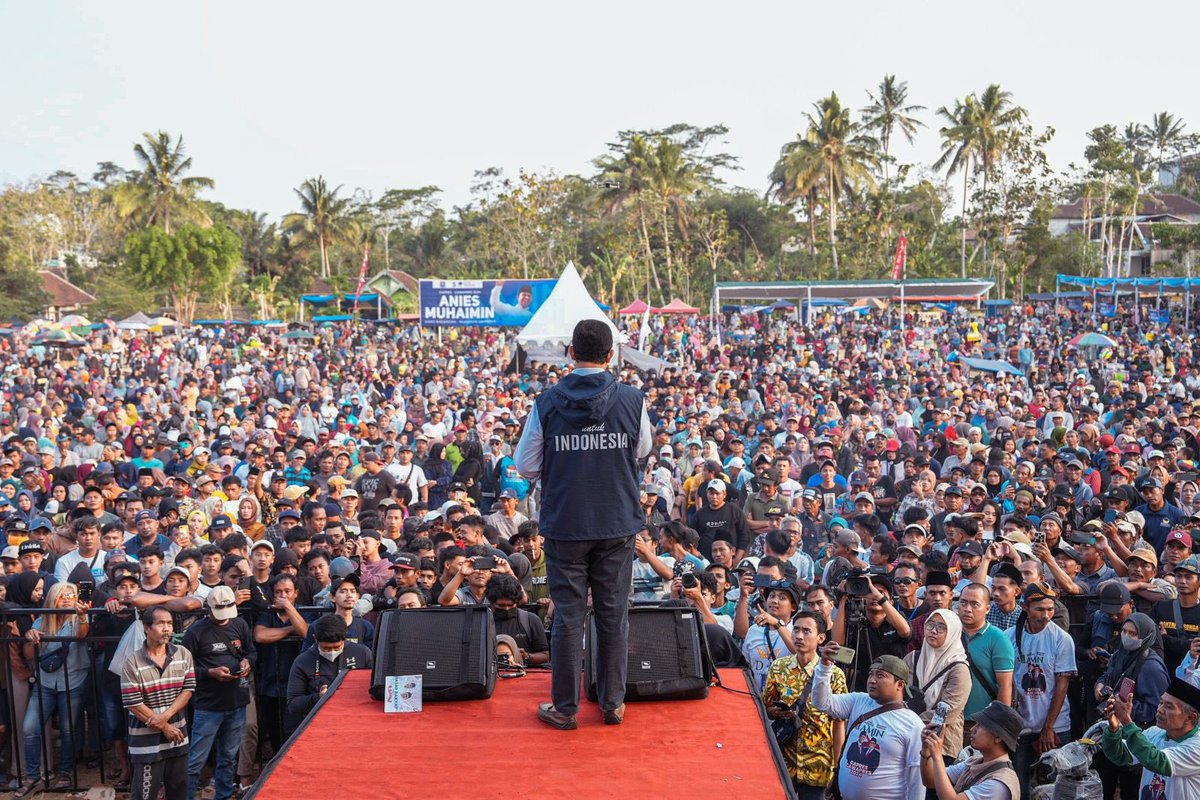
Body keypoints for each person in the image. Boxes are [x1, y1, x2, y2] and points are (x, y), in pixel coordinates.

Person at [515, 319, 652, 730]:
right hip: (615, 522)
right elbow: (642, 448)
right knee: (614, 615)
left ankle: (565, 707)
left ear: (570, 353)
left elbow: (525, 465)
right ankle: (612, 704)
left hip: (566, 524)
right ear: (611, 355)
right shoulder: (633, 399)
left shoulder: (547, 402)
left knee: (570, 617)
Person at [811, 645, 925, 800]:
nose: (872, 680)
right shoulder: (859, 700)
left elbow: (916, 776)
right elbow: (821, 702)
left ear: (899, 685)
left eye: (880, 676)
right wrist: (824, 666)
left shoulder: (913, 724)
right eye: (871, 674)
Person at [15, 582, 90, 797]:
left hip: (73, 681)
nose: (66, 599)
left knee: (68, 730)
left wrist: (83, 615)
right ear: (52, 599)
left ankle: (65, 773)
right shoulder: (42, 620)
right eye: (61, 595)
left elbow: (82, 635)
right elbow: (30, 655)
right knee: (30, 728)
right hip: (45, 683)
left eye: (71, 595)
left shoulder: (79, 618)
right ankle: (32, 776)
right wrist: (30, 637)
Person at [762, 611, 848, 800]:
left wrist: (837, 766)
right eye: (796, 630)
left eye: (807, 631)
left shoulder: (834, 675)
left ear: (821, 638)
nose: (799, 636)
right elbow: (765, 709)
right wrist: (775, 712)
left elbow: (839, 723)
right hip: (783, 762)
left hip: (819, 765)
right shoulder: (778, 667)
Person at [182, 586, 257, 800]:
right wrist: (209, 673)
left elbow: (252, 651)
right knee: (196, 759)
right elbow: (184, 667)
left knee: (228, 757)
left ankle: (223, 796)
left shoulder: (240, 624)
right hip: (208, 705)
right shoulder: (196, 632)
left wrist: (247, 662)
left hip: (236, 701)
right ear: (209, 608)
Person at [1005, 582, 1076, 800]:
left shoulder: (1061, 639)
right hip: (1022, 726)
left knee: (1055, 787)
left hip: (1055, 724)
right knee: (1021, 786)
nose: (1046, 615)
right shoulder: (1009, 636)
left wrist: (1049, 727)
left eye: (1050, 609)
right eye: (1040, 609)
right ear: (1025, 607)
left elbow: (1062, 685)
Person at [1092, 611, 1171, 800]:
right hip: (1112, 731)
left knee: (1130, 791)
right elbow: (1109, 675)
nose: (1127, 637)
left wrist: (1126, 709)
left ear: (1146, 636)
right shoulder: (1121, 654)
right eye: (1124, 631)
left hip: (1137, 737)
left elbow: (1157, 711)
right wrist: (1100, 685)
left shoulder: (1151, 667)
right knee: (1104, 786)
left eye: (1133, 634)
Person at [120, 606, 195, 800]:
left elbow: (188, 689)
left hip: (177, 735)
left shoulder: (183, 654)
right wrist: (165, 727)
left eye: (169, 623)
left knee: (178, 790)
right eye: (161, 623)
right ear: (146, 628)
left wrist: (166, 721)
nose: (167, 629)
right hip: (145, 741)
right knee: (145, 794)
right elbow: (133, 702)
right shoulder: (132, 661)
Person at [1099, 678, 1200, 799]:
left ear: (1191, 718)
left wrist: (1126, 721)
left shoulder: (1196, 745)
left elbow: (1157, 761)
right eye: (1161, 702)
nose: (1160, 710)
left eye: (1169, 707)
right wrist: (1113, 730)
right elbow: (1119, 755)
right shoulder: (1155, 733)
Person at [284, 615, 372, 740]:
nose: (331, 652)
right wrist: (318, 697)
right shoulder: (303, 661)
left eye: (336, 647)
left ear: (345, 638)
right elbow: (293, 704)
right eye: (325, 648)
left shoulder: (362, 653)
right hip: (319, 727)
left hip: (356, 722)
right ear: (315, 639)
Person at [902, 608, 970, 764]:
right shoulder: (913, 658)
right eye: (930, 624)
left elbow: (947, 712)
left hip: (941, 744)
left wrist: (907, 721)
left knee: (932, 787)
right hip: (905, 739)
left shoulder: (959, 669)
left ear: (953, 632)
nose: (933, 630)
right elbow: (896, 690)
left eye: (941, 627)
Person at [920, 701, 1023, 800]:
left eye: (980, 725)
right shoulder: (974, 762)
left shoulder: (999, 784)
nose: (972, 729)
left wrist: (937, 756)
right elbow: (930, 780)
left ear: (998, 737)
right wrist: (926, 749)